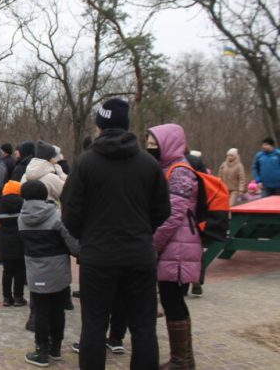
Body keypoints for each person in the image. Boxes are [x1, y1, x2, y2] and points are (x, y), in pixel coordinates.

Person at [62, 98, 170, 370]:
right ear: (127, 125)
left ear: (99, 126)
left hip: (98, 256)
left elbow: (70, 214)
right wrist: (141, 232)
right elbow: (163, 210)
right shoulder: (149, 164)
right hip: (139, 255)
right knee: (144, 327)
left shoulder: (85, 164)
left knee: (94, 326)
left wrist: (88, 236)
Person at [148, 123, 202, 369]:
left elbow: (174, 214)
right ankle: (184, 358)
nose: (150, 149)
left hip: (177, 246)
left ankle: (181, 360)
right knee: (174, 300)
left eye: (154, 145)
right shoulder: (170, 168)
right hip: (176, 245)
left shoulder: (179, 171)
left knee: (172, 300)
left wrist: (154, 244)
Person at [19, 180, 80, 367]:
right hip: (58, 271)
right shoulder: (56, 216)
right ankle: (56, 348)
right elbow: (73, 245)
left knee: (40, 311)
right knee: (57, 310)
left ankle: (41, 350)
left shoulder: (21, 218)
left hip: (35, 271)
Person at [0, 180, 27, 307]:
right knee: (20, 270)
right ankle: (18, 297)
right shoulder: (22, 203)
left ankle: (6, 297)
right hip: (20, 239)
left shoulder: (1, 204)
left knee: (7, 270)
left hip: (5, 240)